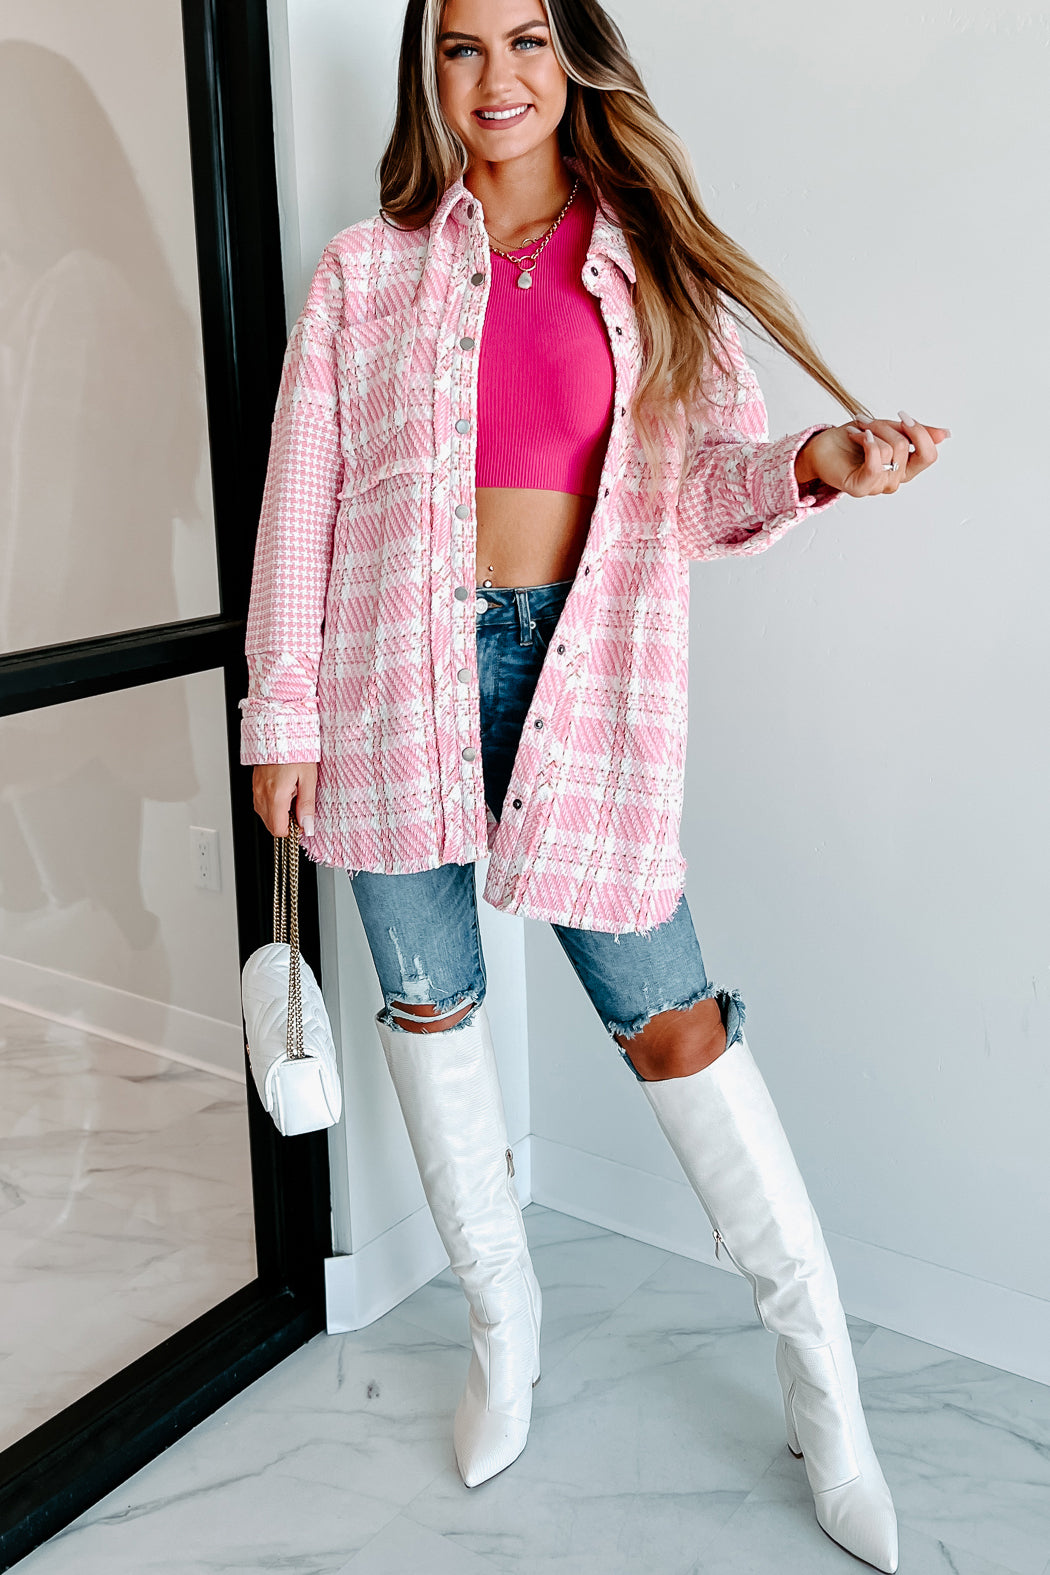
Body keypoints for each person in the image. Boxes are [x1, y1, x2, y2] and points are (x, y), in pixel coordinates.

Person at [240, 3, 948, 1568]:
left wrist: (815, 465)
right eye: (460, 47)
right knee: (429, 1006)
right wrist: (279, 713)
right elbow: (303, 504)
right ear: (429, 73)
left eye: (526, 42)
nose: (495, 78)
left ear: (574, 61)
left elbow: (698, 494)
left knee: (672, 1022)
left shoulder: (653, 266)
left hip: (586, 678)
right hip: (388, 682)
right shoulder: (364, 273)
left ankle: (823, 1392)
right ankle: (505, 1338)